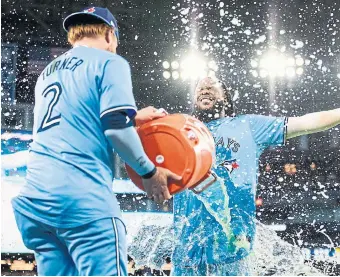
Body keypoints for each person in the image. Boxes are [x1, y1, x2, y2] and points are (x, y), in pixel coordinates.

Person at [11, 6, 181, 276]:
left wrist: (133, 116)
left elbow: (73, 116)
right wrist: (149, 171)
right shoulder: (110, 62)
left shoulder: (47, 74)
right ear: (110, 35)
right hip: (81, 200)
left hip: (36, 205)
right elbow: (116, 129)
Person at [172, 76, 340, 275]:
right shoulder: (179, 132)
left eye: (211, 86)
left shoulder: (249, 126)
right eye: (200, 87)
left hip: (233, 247)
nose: (205, 89)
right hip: (187, 251)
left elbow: (306, 123)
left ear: (226, 98)